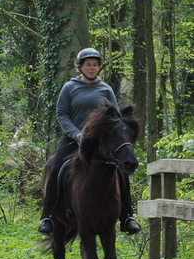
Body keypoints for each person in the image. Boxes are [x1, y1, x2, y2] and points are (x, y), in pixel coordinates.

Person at [38, 48, 141, 236]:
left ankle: (127, 217)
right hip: (73, 139)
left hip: (101, 144)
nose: (92, 68)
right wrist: (77, 134)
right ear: (80, 67)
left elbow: (115, 118)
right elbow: (62, 114)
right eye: (88, 65)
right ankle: (48, 217)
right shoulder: (69, 88)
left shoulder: (106, 89)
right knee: (55, 168)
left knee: (120, 171)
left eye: (95, 65)